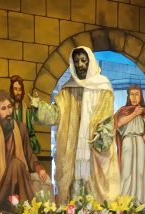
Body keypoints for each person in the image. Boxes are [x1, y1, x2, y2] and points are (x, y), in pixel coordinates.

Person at [30, 46, 119, 204]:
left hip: (94, 147)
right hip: (74, 148)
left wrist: (101, 134)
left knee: (96, 193)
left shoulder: (103, 87)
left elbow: (107, 119)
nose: (80, 65)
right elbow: (57, 113)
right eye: (76, 61)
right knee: (73, 186)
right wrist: (39, 108)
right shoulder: (69, 88)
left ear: (90, 62)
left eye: (83, 61)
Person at [0, 91, 46, 212]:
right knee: (16, 164)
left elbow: (29, 153)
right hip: (0, 183)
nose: (8, 112)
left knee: (16, 164)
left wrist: (39, 169)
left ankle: (23, 211)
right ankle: (26, 210)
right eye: (3, 109)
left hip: (20, 177)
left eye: (10, 107)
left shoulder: (21, 128)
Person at [114, 85, 145, 205]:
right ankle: (124, 202)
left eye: (136, 94)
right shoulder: (124, 110)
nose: (134, 97)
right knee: (126, 171)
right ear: (128, 96)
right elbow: (119, 122)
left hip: (139, 142)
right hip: (127, 141)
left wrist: (143, 138)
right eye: (131, 94)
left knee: (140, 172)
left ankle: (140, 203)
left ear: (141, 96)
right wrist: (134, 113)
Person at [10, 75, 40, 154]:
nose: (18, 92)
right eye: (15, 89)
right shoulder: (7, 108)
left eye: (20, 89)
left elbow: (31, 133)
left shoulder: (25, 109)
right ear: (11, 90)